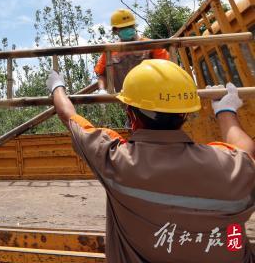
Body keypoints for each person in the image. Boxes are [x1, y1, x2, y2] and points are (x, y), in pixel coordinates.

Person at [46, 60, 255, 262]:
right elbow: (246, 153)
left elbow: (68, 115)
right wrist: (225, 110)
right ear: (184, 115)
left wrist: (57, 86)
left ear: (131, 114)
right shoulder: (231, 165)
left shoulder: (116, 160)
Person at [94, 9, 169, 94]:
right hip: (126, 100)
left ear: (134, 25)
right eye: (123, 28)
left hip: (153, 96)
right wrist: (102, 90)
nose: (128, 29)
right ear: (115, 30)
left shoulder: (152, 45)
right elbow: (102, 74)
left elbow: (167, 68)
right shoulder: (110, 51)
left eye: (130, 26)